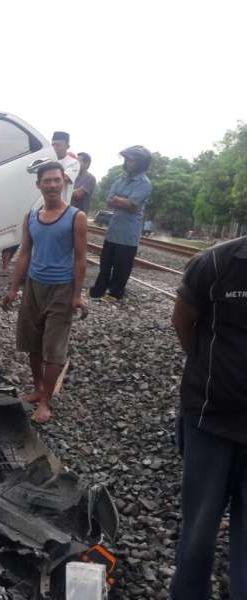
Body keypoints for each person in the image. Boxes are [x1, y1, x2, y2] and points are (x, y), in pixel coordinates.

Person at [169, 235, 247, 600]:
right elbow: (183, 321)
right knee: (198, 533)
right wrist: (212, 374)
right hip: (210, 422)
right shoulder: (216, 263)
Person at [2, 161, 87, 423]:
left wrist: (77, 295)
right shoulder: (31, 217)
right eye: (46, 181)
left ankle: (46, 402)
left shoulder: (76, 217)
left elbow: (80, 259)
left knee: (54, 348)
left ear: (64, 182)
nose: (52, 185)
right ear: (38, 185)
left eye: (56, 180)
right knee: (33, 343)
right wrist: (13, 288)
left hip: (62, 289)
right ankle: (39, 389)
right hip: (33, 287)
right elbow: (24, 254)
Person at [89, 146, 152, 300]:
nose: (128, 163)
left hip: (128, 234)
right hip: (113, 231)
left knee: (121, 267)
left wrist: (119, 200)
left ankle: (115, 294)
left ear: (141, 163)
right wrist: (123, 201)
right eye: (127, 160)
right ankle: (98, 291)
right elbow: (109, 200)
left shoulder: (144, 183)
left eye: (132, 160)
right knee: (105, 264)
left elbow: (132, 205)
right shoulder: (120, 179)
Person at [51, 131, 80, 203]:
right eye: (53, 145)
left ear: (67, 147)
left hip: (62, 205)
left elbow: (64, 178)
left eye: (58, 145)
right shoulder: (48, 160)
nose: (54, 148)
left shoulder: (73, 163)